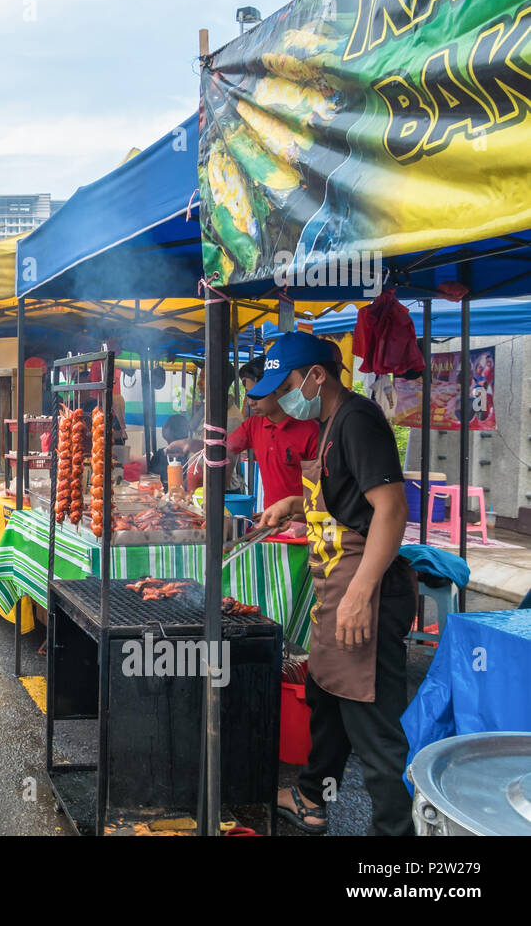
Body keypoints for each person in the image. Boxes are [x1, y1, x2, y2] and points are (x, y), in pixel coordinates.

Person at [252, 332, 415, 837]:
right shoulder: (327, 424)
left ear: (318, 375)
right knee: (325, 697)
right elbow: (347, 497)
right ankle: (311, 797)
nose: (283, 395)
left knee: (373, 728)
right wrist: (294, 505)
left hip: (363, 590)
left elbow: (391, 510)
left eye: (289, 383)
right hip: (335, 586)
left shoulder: (358, 420)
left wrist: (360, 595)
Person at [227, 358, 320, 516]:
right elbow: (227, 448)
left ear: (275, 388)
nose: (250, 403)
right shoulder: (253, 425)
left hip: (306, 524)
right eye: (248, 395)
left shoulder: (310, 429)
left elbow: (321, 495)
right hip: (273, 520)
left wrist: (295, 517)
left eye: (256, 395)